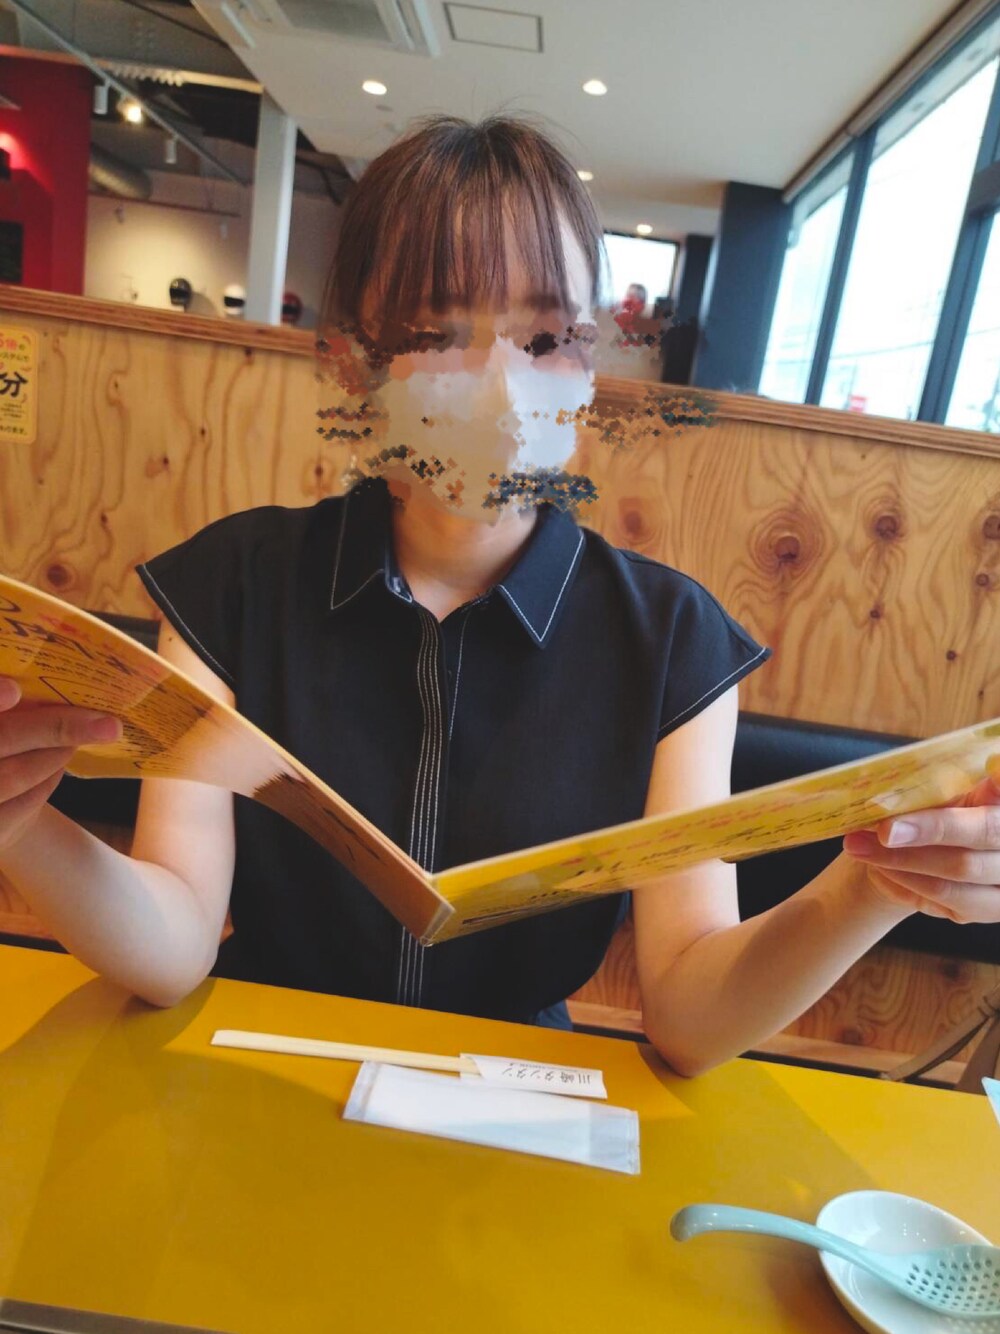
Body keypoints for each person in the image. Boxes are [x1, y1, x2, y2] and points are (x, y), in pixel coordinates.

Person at [2, 114, 1000, 1077]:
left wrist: (879, 882)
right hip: (266, 1059)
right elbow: (175, 938)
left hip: (514, 1093)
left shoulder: (670, 639)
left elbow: (692, 1018)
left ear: (588, 365)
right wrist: (19, 825)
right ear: (353, 364)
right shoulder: (233, 586)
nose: (499, 386)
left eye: (546, 336)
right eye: (438, 333)